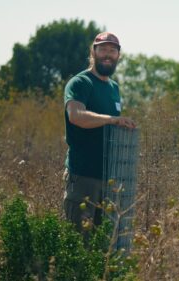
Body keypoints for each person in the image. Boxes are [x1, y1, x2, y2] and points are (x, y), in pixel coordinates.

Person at [63, 31, 136, 236]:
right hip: (83, 177)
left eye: (112, 50)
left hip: (110, 180)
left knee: (103, 245)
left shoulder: (114, 88)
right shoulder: (80, 83)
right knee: (77, 242)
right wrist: (112, 119)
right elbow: (76, 116)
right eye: (103, 49)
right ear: (93, 52)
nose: (107, 54)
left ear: (118, 56)